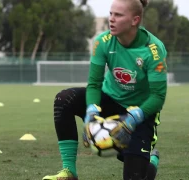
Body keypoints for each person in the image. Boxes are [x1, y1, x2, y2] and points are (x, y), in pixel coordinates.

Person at [42, 0, 168, 179]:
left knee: (135, 173)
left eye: (118, 15)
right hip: (109, 101)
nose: (112, 19)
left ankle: (150, 160)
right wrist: (91, 112)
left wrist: (133, 118)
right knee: (64, 99)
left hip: (141, 113)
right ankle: (69, 171)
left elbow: (158, 96)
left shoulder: (154, 50)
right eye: (111, 14)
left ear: (135, 20)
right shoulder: (102, 41)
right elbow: (94, 84)